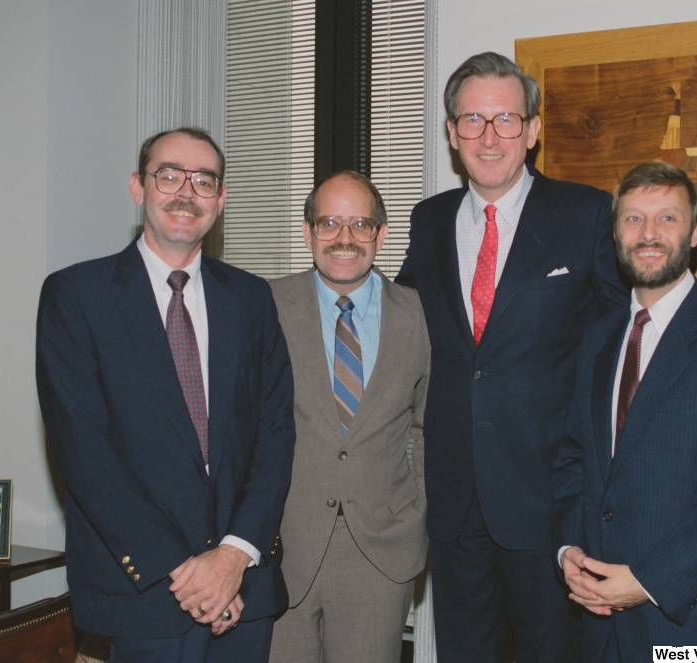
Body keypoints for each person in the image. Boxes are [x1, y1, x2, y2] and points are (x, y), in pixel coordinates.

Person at [395, 52, 697, 662]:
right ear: (450, 132)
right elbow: (397, 322)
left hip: (550, 507)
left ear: (533, 129)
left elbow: (644, 303)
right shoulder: (428, 219)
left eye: (506, 119)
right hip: (455, 503)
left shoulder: (584, 214)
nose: (489, 136)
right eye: (472, 120)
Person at [36, 127, 295, 663]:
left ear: (221, 199)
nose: (186, 192)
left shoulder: (251, 299)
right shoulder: (76, 296)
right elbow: (83, 451)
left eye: (204, 181)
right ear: (138, 187)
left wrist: (232, 558)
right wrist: (191, 576)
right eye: (169, 175)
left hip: (244, 586)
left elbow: (275, 435)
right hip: (145, 589)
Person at [553, 162, 697, 661]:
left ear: (696, 229)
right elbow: (575, 461)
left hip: (692, 622)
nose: (648, 234)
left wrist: (648, 581)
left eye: (667, 219)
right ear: (616, 232)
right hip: (598, 624)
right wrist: (568, 550)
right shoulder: (597, 339)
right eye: (633, 219)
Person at [268, 172, 429, 663]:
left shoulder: (419, 314)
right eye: (329, 223)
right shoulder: (264, 307)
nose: (344, 238)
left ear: (381, 234)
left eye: (360, 224)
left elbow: (428, 429)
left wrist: (414, 514)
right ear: (307, 231)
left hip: (380, 555)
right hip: (281, 550)